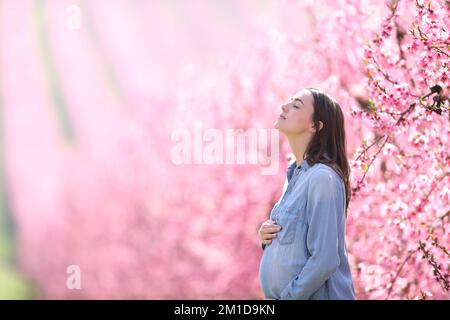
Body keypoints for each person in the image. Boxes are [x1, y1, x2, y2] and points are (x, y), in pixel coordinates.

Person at [258, 88, 356, 300]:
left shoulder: (322, 178)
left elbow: (325, 259)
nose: (285, 106)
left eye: (296, 106)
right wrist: (267, 237)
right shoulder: (296, 175)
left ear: (315, 125)